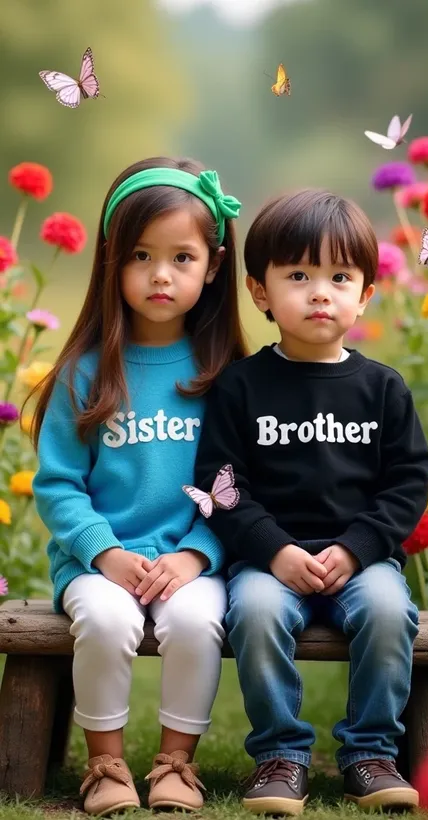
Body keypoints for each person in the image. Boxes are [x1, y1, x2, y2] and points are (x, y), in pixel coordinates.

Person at [194, 189, 428, 815]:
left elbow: (407, 483)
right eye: (298, 275)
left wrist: (356, 552)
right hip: (270, 562)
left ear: (366, 293)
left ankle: (370, 753)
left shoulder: (382, 389)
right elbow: (222, 488)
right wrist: (274, 551)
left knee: (387, 612)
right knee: (255, 613)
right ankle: (280, 755)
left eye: (339, 276)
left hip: (363, 561)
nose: (320, 291)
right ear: (259, 290)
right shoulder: (241, 386)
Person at [31, 156, 246, 817]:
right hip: (100, 561)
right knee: (104, 617)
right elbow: (59, 485)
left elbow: (238, 488)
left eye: (181, 258)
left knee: (196, 619)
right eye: (142, 257)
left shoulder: (229, 376)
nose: (160, 275)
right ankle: (104, 766)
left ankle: (176, 765)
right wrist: (106, 553)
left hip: (192, 558)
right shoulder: (84, 374)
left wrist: (196, 554)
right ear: (111, 262)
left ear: (212, 266)